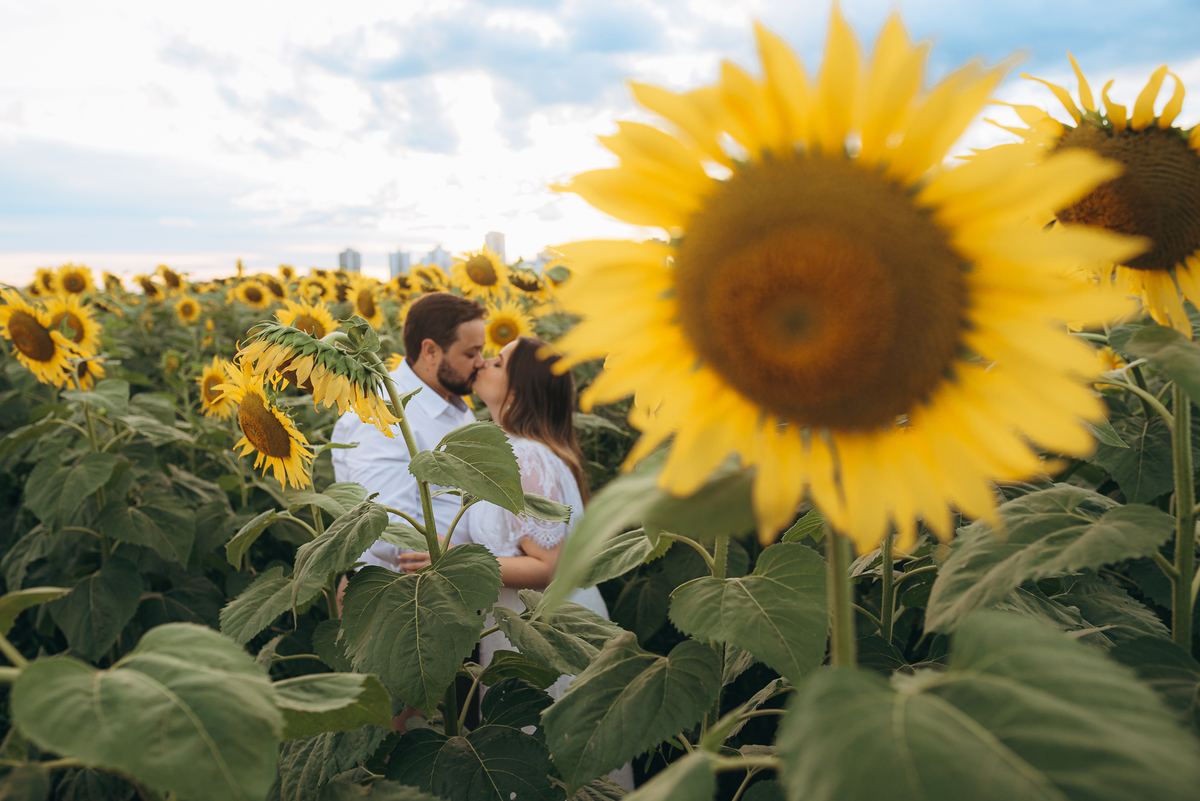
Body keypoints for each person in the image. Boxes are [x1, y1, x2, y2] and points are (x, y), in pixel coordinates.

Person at [397, 335, 610, 677]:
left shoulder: (525, 457)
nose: (481, 362)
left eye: (498, 362)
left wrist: (453, 557)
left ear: (520, 389)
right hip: (529, 627)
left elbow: (548, 566)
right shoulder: (519, 450)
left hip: (551, 636)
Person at [331, 291, 486, 569]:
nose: (480, 362)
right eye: (471, 353)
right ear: (430, 351)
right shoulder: (380, 414)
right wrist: (467, 563)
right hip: (414, 590)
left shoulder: (454, 403)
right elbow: (386, 530)